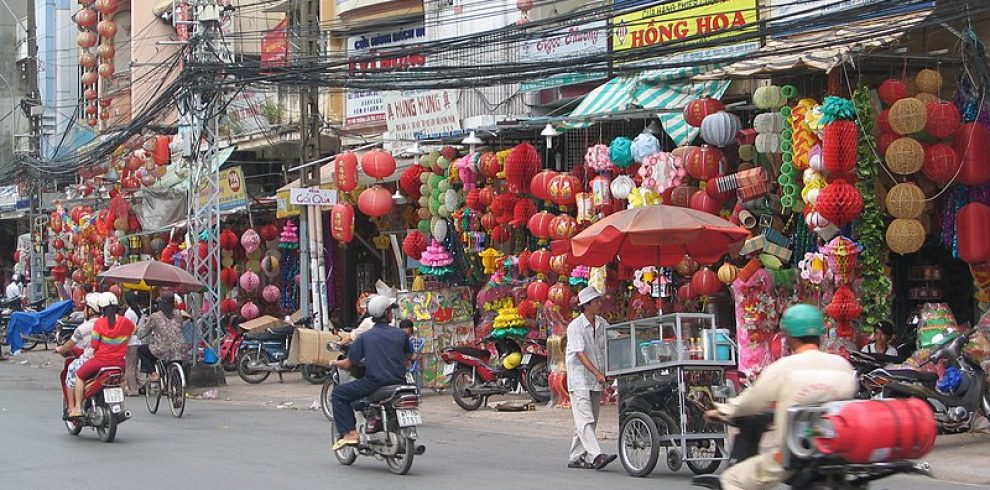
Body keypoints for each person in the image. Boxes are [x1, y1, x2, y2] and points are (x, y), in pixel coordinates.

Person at [698, 304, 858, 490]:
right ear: (820, 334)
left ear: (789, 335)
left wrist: (723, 410)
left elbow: (753, 399)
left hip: (794, 455)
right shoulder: (842, 365)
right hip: (837, 452)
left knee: (733, 479)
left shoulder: (784, 367)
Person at [330, 294, 411, 450]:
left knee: (339, 394)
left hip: (375, 382)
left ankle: (350, 434)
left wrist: (334, 362)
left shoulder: (365, 337)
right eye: (389, 311)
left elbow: (348, 364)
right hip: (400, 381)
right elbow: (409, 356)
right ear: (386, 313)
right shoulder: (401, 334)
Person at [565, 286, 617, 471]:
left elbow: (614, 339)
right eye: (596, 301)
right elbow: (579, 353)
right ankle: (596, 456)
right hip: (580, 377)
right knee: (585, 417)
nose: (599, 304)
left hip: (596, 378)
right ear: (586, 305)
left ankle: (576, 456)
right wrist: (597, 373)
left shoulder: (602, 323)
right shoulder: (575, 326)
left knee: (590, 419)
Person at [68, 292, 136, 418]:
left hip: (100, 362)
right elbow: (133, 331)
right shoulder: (126, 322)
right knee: (121, 382)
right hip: (120, 363)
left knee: (79, 376)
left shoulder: (99, 324)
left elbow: (94, 345)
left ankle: (77, 408)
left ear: (101, 309)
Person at [56, 293, 100, 418]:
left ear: (90, 310)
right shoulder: (109, 325)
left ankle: (73, 407)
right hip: (113, 361)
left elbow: (69, 346)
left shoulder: (83, 327)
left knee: (71, 372)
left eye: (86, 308)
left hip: (92, 360)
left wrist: (60, 349)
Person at [136, 294, 188, 390]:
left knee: (141, 350)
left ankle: (153, 373)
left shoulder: (155, 316)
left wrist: (137, 332)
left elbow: (141, 334)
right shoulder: (178, 314)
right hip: (180, 349)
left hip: (162, 349)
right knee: (174, 361)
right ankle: (178, 391)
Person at [123, 292, 144, 396]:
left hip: (130, 342)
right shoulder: (138, 312)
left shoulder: (128, 313)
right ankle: (143, 385)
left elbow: (126, 329)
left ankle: (133, 389)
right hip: (138, 341)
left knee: (130, 367)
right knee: (135, 366)